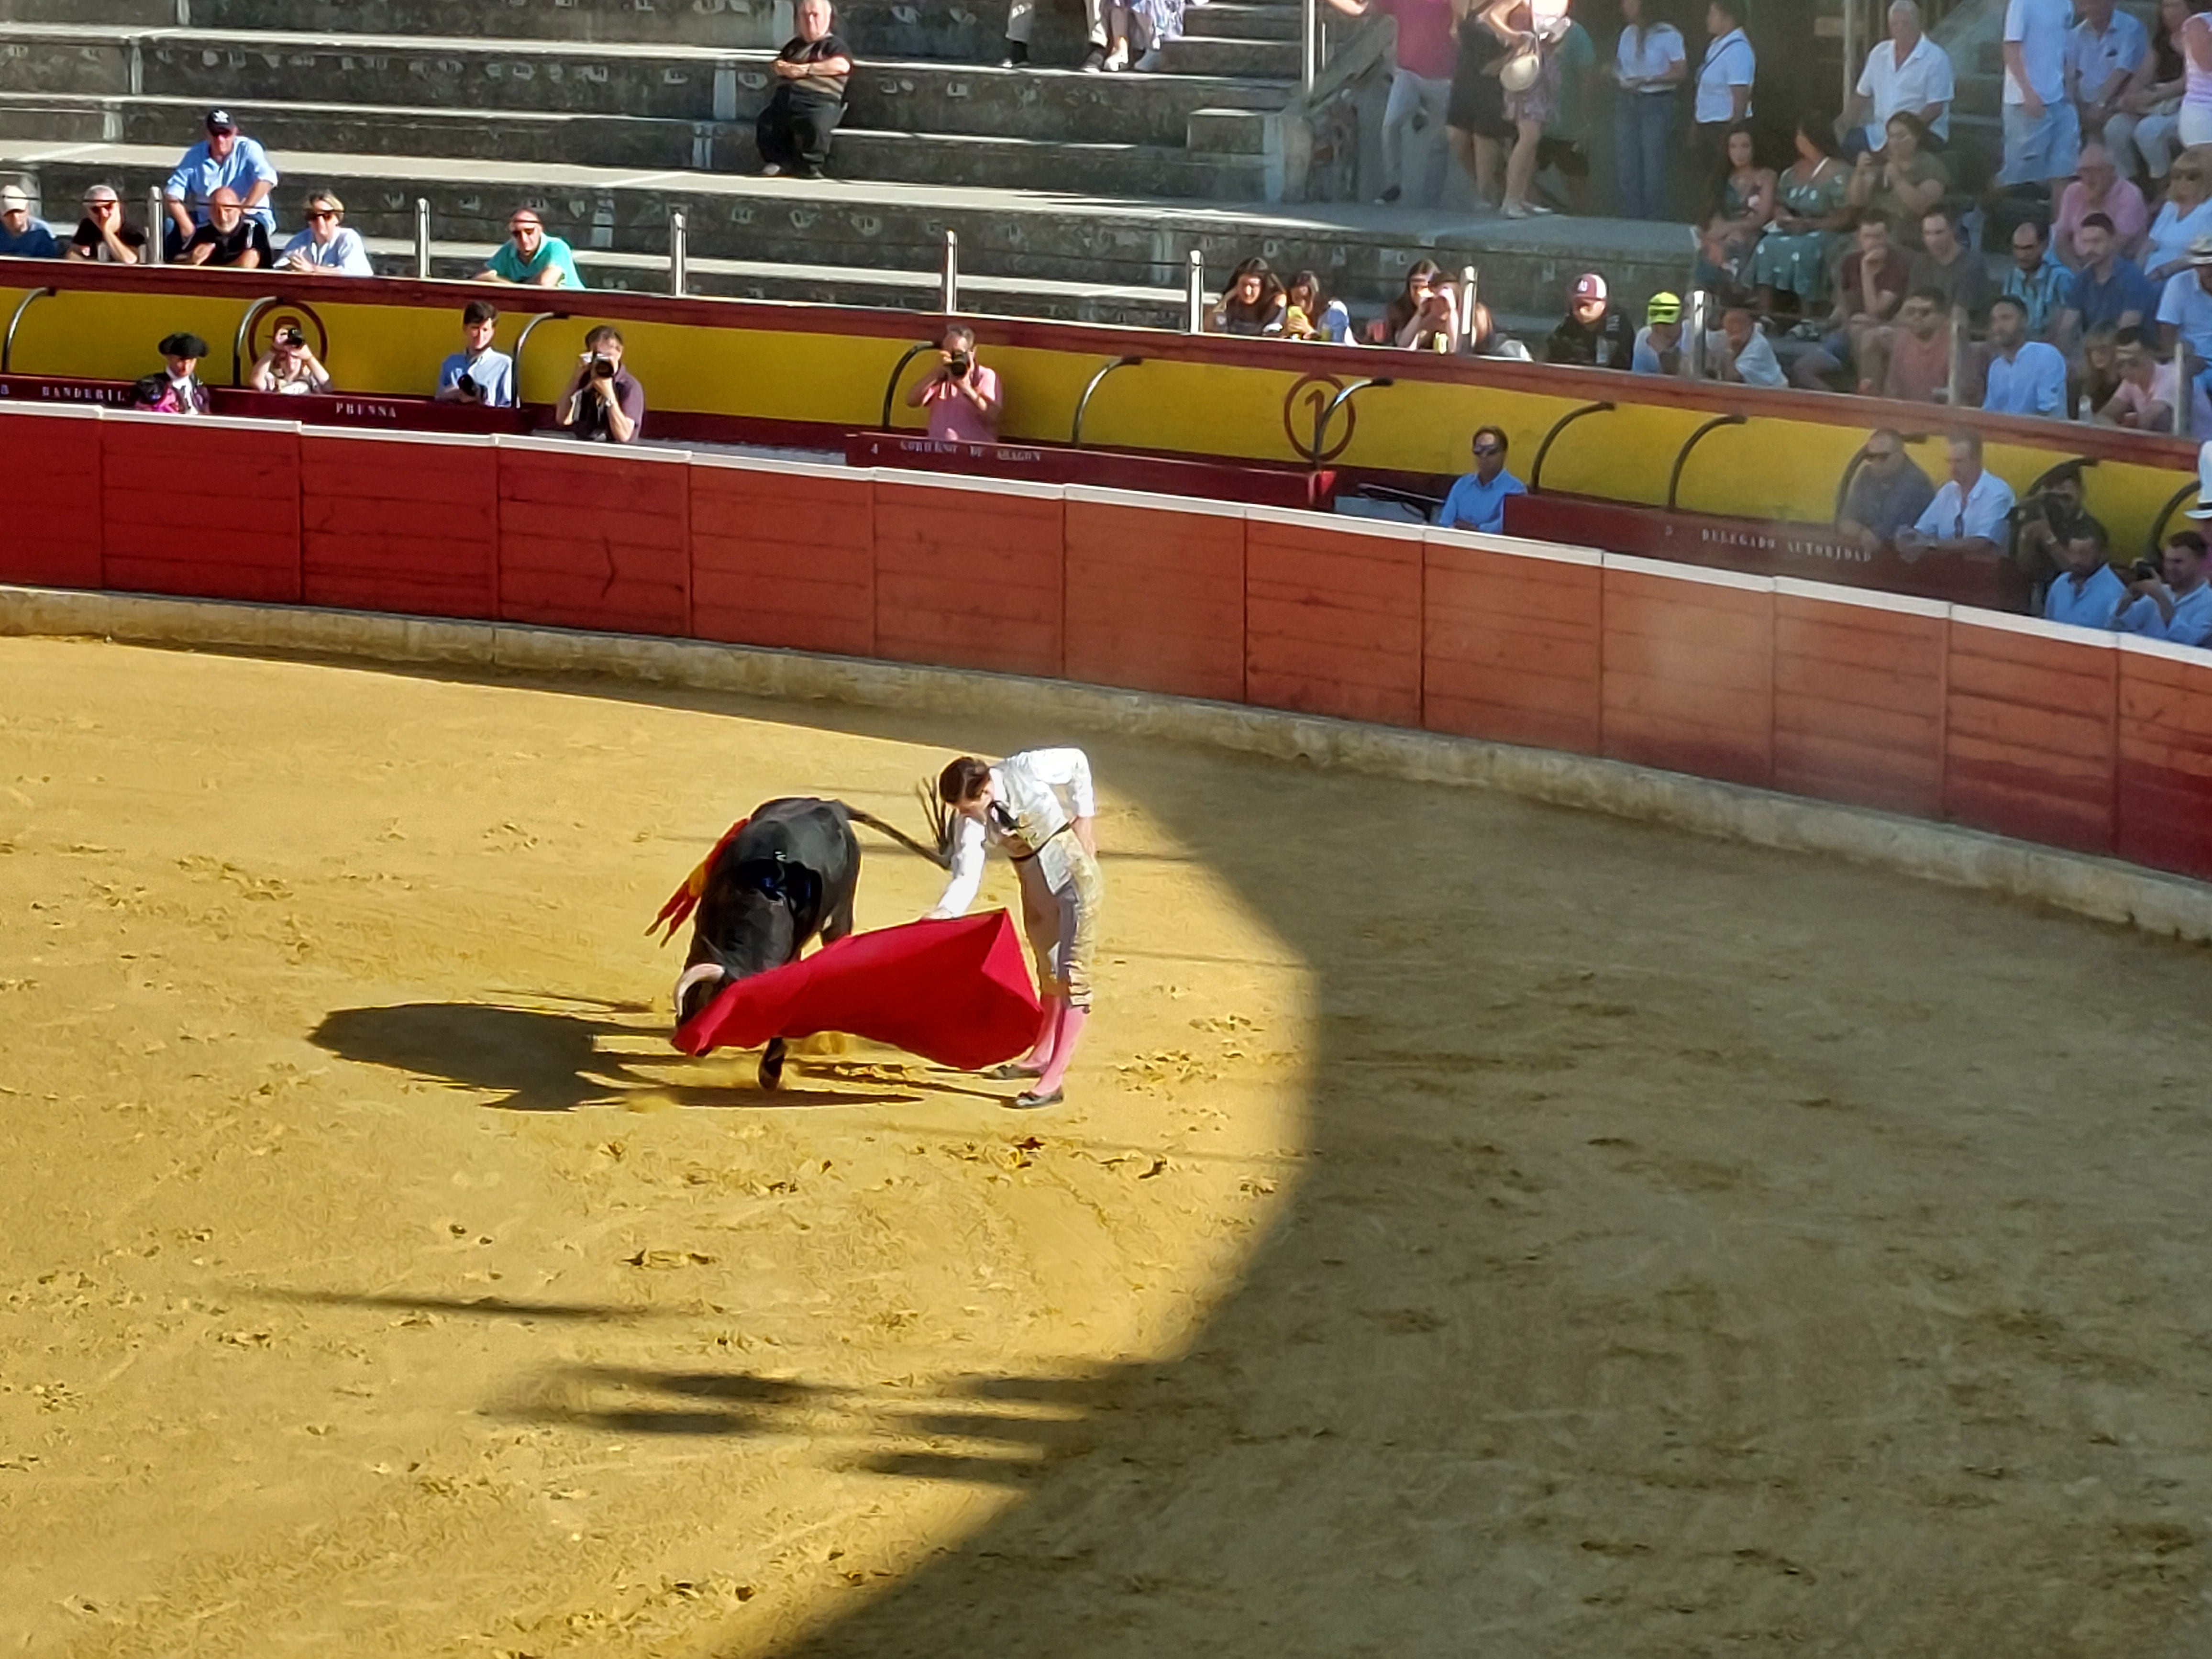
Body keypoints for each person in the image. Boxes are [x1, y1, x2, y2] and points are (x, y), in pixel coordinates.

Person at [926, 750, 1103, 1111]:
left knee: (1074, 977)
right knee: (1049, 973)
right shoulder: (971, 820)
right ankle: (1041, 1055)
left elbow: (1077, 761)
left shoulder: (1025, 768)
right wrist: (944, 912)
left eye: (965, 807)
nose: (964, 816)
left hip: (1075, 882)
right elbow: (967, 875)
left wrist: (1084, 817)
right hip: (1036, 893)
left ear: (986, 792)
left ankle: (1053, 1079)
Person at [1327, 0, 1459, 206]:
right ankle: (1393, 184)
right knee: (1391, 123)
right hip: (1408, 74)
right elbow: (1361, 9)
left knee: (1442, 139)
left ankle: (1431, 199)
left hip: (1444, 78)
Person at [1791, 210, 1909, 390]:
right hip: (1848, 332)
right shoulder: (1850, 262)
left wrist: (1866, 272)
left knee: (1862, 329)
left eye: (1878, 237)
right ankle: (1836, 408)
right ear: (1859, 238)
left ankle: (1867, 393)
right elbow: (1845, 305)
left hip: (1882, 333)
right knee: (1802, 370)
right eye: (1868, 237)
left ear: (1889, 237)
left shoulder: (1897, 265)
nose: (1873, 243)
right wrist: (1829, 323)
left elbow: (1876, 310)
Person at [1751, 117, 1851, 316]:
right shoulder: (1793, 171)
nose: (1798, 141)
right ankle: (1766, 314)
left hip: (1826, 230)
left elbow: (1846, 217)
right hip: (1793, 227)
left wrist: (1809, 225)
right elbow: (1780, 202)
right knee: (1767, 245)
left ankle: (1808, 317)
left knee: (1804, 249)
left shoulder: (1840, 172)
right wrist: (1781, 215)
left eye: (1801, 136)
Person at [1843, 0, 1954, 158]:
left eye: (1906, 24)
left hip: (1921, 133)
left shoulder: (1936, 57)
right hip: (1879, 133)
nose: (1901, 29)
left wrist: (1901, 138)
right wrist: (1841, 126)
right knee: (1844, 144)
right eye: (1896, 24)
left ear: (1918, 24)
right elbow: (1861, 96)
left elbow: (1935, 108)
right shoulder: (1879, 53)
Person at [161, 108, 276, 260]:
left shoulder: (249, 149)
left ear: (235, 132)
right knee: (170, 225)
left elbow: (266, 180)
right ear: (207, 134)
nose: (220, 139)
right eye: (215, 134)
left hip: (249, 216)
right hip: (208, 220)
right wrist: (186, 225)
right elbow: (172, 193)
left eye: (225, 134)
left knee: (252, 236)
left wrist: (242, 210)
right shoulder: (194, 155)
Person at [757, 0, 852, 179]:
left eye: (815, 15)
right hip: (787, 98)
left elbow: (842, 65)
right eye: (804, 16)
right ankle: (779, 161)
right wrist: (782, 68)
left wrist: (806, 70)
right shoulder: (794, 46)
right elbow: (778, 63)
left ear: (828, 18)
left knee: (816, 126)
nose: (810, 21)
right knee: (767, 124)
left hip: (819, 100)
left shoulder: (832, 45)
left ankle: (809, 166)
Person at [1612, 0, 1686, 221]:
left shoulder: (1669, 34)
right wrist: (1616, 75)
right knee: (1627, 166)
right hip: (1628, 101)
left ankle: (1655, 222)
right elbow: (1619, 64)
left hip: (1656, 102)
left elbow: (1681, 72)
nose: (1625, 6)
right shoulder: (1627, 33)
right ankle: (1631, 219)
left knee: (1654, 167)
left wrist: (1648, 79)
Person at [1999, 0, 2080, 201]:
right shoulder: (2022, 3)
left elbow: (2064, 47)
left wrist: (2069, 89)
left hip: (2060, 100)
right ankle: (1979, 215)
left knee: (2064, 172)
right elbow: (2010, 48)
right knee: (2018, 176)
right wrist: (2028, 92)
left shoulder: (2066, 4)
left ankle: (2056, 231)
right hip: (2026, 102)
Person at [2108, 0, 2194, 183]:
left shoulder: (2199, 36)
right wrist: (2132, 97)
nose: (2169, 12)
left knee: (2149, 131)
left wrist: (2153, 97)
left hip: (2185, 103)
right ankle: (2128, 183)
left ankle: (2163, 185)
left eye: (2175, 6)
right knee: (2116, 128)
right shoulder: (2160, 39)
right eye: (2165, 7)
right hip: (2158, 100)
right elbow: (2144, 73)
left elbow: (2189, 80)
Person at [1896, 430, 2016, 559]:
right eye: (1950, 462)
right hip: (1947, 570)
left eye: (1959, 462)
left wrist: (1931, 544)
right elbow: (1924, 530)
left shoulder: (1997, 493)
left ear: (1977, 460)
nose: (1953, 468)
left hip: (1987, 573)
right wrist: (1910, 537)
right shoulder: (1947, 491)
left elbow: (1980, 543)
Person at [1848, 111, 1950, 250]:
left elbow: (1922, 208)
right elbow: (1858, 201)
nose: (1895, 142)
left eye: (1902, 137)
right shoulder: (1879, 160)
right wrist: (1859, 174)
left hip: (1907, 235)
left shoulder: (1931, 166)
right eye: (1891, 137)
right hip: (1873, 229)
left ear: (1917, 137)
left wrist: (1898, 180)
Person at [1695, 123, 1773, 288]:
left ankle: (1735, 302)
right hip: (1722, 235)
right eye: (1733, 147)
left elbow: (1761, 218)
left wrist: (1730, 228)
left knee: (1735, 245)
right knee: (1706, 254)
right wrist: (1714, 236)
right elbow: (1713, 211)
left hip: (1753, 235)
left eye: (1745, 146)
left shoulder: (1766, 176)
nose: (1739, 153)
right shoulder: (1722, 177)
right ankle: (1700, 310)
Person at [1534, 11, 1598, 212]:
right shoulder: (1526, 29)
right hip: (1534, 123)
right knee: (1519, 174)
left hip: (1569, 126)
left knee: (1577, 186)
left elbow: (1587, 77)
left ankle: (1584, 230)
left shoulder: (1576, 33)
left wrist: (1585, 119)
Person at [1837, 428, 1936, 551]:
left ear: (1900, 454)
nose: (1876, 462)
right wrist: (1863, 532)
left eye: (1883, 457)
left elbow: (1883, 534)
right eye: (1871, 457)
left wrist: (1861, 531)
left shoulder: (1916, 482)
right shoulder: (1866, 475)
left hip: (1913, 561)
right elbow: (1846, 520)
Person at [1691, 0, 1755, 189]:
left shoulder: (1738, 50)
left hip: (1724, 127)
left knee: (1721, 180)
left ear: (1727, 17)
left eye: (1713, 13)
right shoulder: (1715, 46)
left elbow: (1740, 97)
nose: (1708, 19)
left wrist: (1733, 136)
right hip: (1707, 125)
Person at [2067, 0, 2150, 147]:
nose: (2090, 7)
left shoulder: (2131, 28)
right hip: (2084, 107)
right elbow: (2070, 76)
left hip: (2117, 105)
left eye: (2095, 3)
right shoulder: (2075, 35)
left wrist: (2100, 105)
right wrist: (2075, 110)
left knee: (2115, 130)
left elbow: (2123, 71)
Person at [2054, 142, 2149, 265]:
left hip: (2120, 264)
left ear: (2111, 171)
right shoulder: (2073, 192)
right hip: (2075, 264)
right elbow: (2061, 238)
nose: (2088, 178)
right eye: (2084, 171)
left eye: (2095, 171)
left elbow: (2117, 246)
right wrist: (2075, 271)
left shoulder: (2130, 196)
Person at [907, 322, 1002, 441]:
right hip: (940, 449)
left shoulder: (984, 375)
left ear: (971, 353)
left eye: (956, 354)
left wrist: (965, 387)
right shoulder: (941, 376)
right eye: (947, 353)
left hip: (972, 452)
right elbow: (911, 401)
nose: (951, 358)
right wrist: (935, 375)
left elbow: (991, 416)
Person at [2117, 529, 2212, 642]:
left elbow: (2188, 642)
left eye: (2178, 562)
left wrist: (2162, 600)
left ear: (2200, 562)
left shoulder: (2208, 603)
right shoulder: (2158, 592)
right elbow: (2117, 628)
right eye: (2168, 561)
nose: (2170, 568)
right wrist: (2129, 597)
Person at [2069, 211, 2158, 331]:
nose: (2090, 249)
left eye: (2097, 241)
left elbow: (2127, 332)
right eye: (2086, 242)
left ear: (2113, 240)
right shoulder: (2083, 279)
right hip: (2093, 346)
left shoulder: (2133, 279)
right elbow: (2067, 327)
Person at [1981, 294, 2068, 415]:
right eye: (1995, 320)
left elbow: (2047, 412)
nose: (1999, 327)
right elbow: (1990, 413)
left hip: (2042, 433)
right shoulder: (1996, 367)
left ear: (2024, 320)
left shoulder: (2046, 355)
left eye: (2006, 318)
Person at [557, 324, 644, 443]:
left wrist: (609, 396)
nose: (604, 361)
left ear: (620, 353)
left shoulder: (628, 387)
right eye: (598, 356)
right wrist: (577, 378)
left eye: (608, 356)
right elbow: (563, 419)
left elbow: (624, 436)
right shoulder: (585, 380)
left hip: (617, 454)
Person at [1434, 424, 1526, 531]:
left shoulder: (1516, 489)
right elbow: (1445, 521)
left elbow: (1506, 526)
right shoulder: (1463, 484)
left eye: (1491, 451)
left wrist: (1477, 529)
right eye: (1478, 451)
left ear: (1504, 453)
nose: (1484, 456)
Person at [1909, 208, 1995, 323]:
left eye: (1939, 233)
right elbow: (1909, 306)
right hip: (1925, 328)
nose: (1934, 240)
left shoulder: (1972, 264)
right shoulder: (1921, 263)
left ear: (1953, 231)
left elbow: (1959, 315)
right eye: (1928, 233)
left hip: (1966, 332)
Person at [2041, 516, 2128, 625]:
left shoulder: (2116, 595)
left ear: (2102, 554)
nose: (2076, 560)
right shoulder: (2060, 584)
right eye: (2073, 553)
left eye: (2084, 554)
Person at [1877, 287, 1958, 403]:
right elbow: (1891, 389)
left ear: (1943, 317)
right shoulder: (1901, 341)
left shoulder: (1954, 348)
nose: (1917, 317)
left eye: (1925, 313)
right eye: (1911, 312)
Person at [2004, 221, 2075, 352]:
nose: (2022, 255)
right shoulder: (2012, 276)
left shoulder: (2061, 278)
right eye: (2017, 248)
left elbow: (2065, 330)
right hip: (2019, 350)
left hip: (2052, 351)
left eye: (2028, 248)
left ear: (2045, 245)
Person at [435, 299, 516, 407]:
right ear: (465, 328)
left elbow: (507, 408)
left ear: (493, 332)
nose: (480, 336)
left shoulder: (504, 364)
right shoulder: (451, 363)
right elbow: (438, 401)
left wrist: (483, 399)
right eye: (475, 329)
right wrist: (456, 394)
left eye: (485, 330)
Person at [476, 208, 585, 289]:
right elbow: (481, 278)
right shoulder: (509, 249)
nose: (524, 239)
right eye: (517, 234)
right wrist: (516, 288)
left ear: (540, 229)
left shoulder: (557, 247)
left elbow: (544, 284)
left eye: (529, 232)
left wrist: (506, 286)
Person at [1544, 270, 1634, 366]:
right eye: (1577, 305)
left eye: (1587, 305)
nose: (1581, 310)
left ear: (1603, 304)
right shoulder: (1564, 332)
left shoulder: (1618, 329)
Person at [2096, 326, 2179, 428]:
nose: (2126, 370)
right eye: (2120, 365)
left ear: (2151, 356)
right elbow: (2103, 416)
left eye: (2134, 363)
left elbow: (2150, 420)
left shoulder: (2172, 375)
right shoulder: (2130, 382)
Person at [1371, 259, 1463, 350]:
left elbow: (1456, 348)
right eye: (1415, 288)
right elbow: (1403, 345)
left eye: (1424, 287)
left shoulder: (1445, 311)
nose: (1419, 293)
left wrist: (1450, 309)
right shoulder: (1400, 310)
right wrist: (1419, 314)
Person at [276, 191, 372, 276]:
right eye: (313, 216)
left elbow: (356, 273)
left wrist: (313, 269)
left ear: (337, 218)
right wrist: (290, 267)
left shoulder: (348, 238)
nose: (320, 222)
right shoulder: (301, 239)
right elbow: (280, 268)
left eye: (327, 216)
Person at [2157, 232, 2212, 369]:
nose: (2209, 271)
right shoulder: (2179, 284)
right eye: (2202, 266)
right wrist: (2182, 357)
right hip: (2194, 362)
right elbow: (2167, 328)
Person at [181, 188, 271, 269]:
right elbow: (176, 262)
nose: (223, 217)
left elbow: (248, 262)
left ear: (239, 209)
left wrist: (213, 274)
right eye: (216, 211)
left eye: (228, 211)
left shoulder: (253, 228)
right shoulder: (202, 231)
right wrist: (191, 259)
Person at [131, 332, 210, 416]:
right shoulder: (153, 387)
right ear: (169, 358)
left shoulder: (198, 388)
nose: (186, 367)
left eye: (191, 361)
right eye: (180, 361)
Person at [64, 184, 146, 265]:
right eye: (96, 210)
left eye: (108, 207)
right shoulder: (88, 226)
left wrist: (108, 232)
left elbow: (130, 261)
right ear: (88, 212)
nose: (103, 214)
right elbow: (71, 255)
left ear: (118, 207)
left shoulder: (132, 230)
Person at [1714, 299, 1786, 386]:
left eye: (1740, 323)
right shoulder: (1720, 336)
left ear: (1751, 324)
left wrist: (1730, 351)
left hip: (1773, 392)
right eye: (1731, 322)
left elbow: (1733, 378)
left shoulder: (1760, 345)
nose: (1736, 327)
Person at [248, 325, 332, 395]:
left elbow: (327, 386)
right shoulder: (272, 380)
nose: (290, 361)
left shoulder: (311, 380)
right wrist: (274, 350)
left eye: (295, 357)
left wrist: (309, 358)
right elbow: (256, 381)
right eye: (284, 358)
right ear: (277, 361)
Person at [1212, 257, 1288, 334]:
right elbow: (1210, 330)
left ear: (1263, 286)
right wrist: (1225, 300)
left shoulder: (1274, 305)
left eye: (1253, 286)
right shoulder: (1231, 303)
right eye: (1243, 285)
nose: (1247, 292)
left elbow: (1272, 339)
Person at [1284, 270, 1353, 343]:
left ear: (1317, 295)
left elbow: (1337, 345)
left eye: (1306, 298)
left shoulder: (1335, 311)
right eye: (1297, 299)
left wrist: (1310, 332)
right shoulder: (1291, 312)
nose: (1301, 303)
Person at [1633, 290, 1686, 374]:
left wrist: (1662, 352)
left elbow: (1683, 378)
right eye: (1656, 323)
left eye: (1667, 323)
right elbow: (1639, 381)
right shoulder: (1644, 337)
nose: (1659, 328)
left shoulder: (1692, 334)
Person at [0, 184, 55, 258]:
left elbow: (49, 264)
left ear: (27, 210)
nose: (15, 217)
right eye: (9, 213)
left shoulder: (42, 232)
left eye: (19, 211)